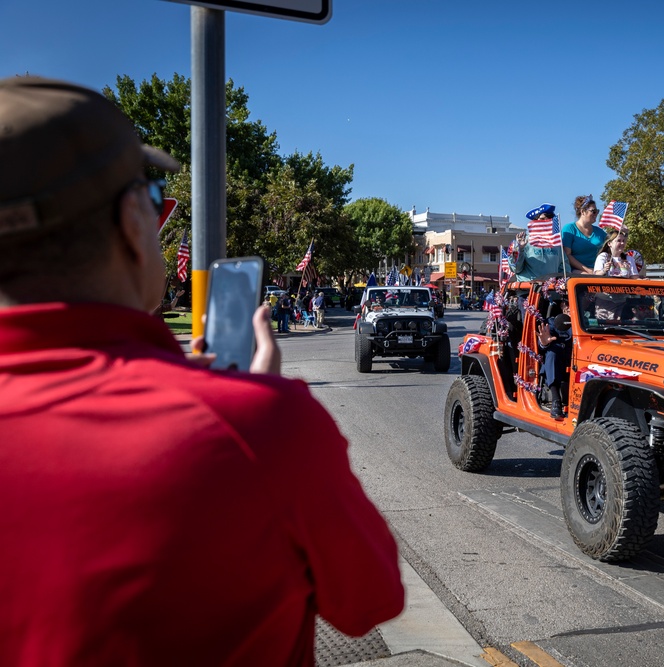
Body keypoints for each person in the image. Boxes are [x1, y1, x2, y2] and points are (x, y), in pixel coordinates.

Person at [0, 77, 403, 665]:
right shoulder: (259, 426)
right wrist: (252, 405)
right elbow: (369, 601)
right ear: (132, 224)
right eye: (154, 192)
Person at [537, 294, 572, 418]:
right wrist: (544, 342)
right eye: (567, 303)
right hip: (560, 360)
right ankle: (556, 399)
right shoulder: (553, 322)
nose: (569, 307)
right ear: (562, 306)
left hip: (581, 357)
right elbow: (542, 345)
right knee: (552, 352)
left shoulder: (590, 322)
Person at [512, 203, 567, 280]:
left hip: (551, 289)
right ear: (535, 222)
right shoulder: (524, 241)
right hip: (528, 289)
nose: (546, 222)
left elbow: (564, 268)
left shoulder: (556, 243)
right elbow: (515, 269)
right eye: (542, 219)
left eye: (549, 219)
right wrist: (520, 249)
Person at [561, 194, 607, 273]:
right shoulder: (569, 229)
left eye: (597, 211)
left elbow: (612, 247)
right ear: (583, 212)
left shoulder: (600, 232)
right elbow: (567, 255)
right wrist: (588, 271)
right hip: (575, 271)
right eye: (593, 211)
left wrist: (624, 233)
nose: (596, 214)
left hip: (598, 272)